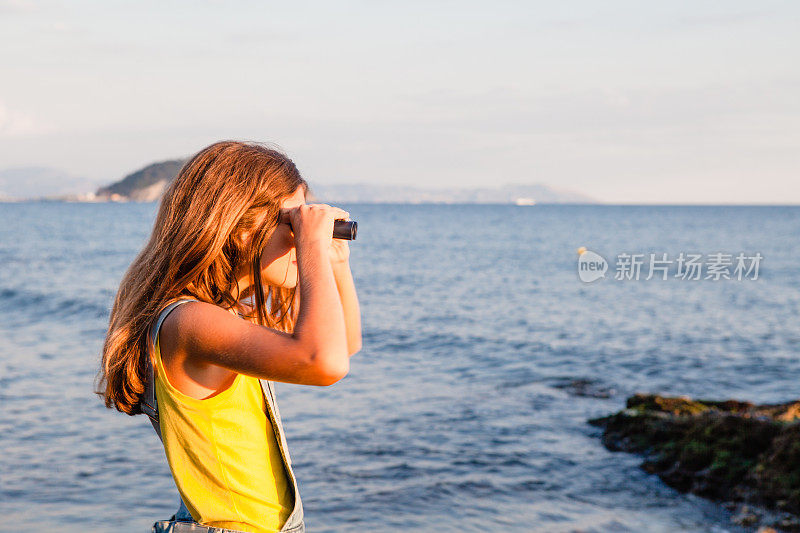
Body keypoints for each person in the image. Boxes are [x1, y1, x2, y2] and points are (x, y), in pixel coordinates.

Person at [95, 140, 362, 533]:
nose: (299, 236)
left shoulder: (219, 318)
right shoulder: (191, 324)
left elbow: (344, 345)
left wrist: (335, 262)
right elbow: (324, 362)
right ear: (236, 228)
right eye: (291, 223)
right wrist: (311, 249)